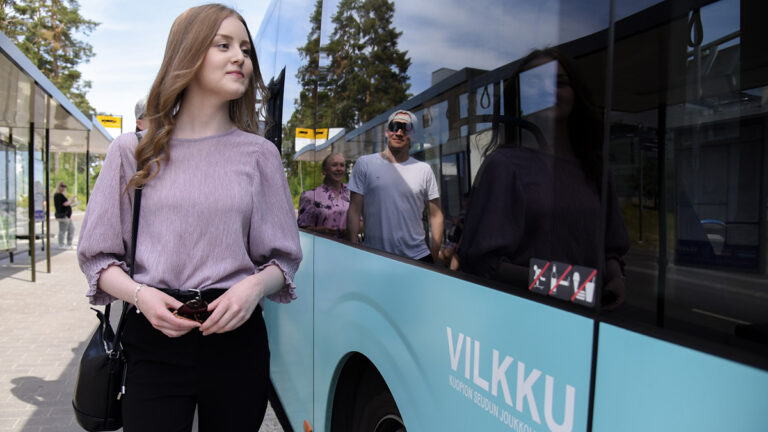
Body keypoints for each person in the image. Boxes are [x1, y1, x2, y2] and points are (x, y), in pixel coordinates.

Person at [76, 5, 302, 431]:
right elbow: (97, 260)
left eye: (246, 49)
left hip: (237, 340)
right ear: (188, 54)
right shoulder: (133, 152)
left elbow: (284, 260)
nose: (241, 58)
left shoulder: (260, 155)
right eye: (224, 45)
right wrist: (140, 295)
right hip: (155, 339)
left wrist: (253, 287)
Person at [458, 48, 629, 308]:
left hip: (595, 319)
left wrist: (616, 277)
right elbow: (481, 263)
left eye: (559, 83)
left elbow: (611, 248)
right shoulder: (504, 165)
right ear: (520, 97)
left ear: (575, 93)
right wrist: (569, 285)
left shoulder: (596, 169)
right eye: (534, 84)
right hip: (531, 318)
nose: (548, 91)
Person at [346, 110, 444, 263]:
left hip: (418, 257)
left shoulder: (424, 169)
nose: (399, 132)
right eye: (395, 126)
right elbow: (354, 209)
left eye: (405, 128)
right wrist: (354, 249)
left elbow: (436, 215)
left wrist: (434, 255)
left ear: (414, 135)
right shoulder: (365, 164)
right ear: (387, 132)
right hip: (374, 256)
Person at [297, 153, 350, 237]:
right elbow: (301, 230)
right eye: (334, 165)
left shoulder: (352, 193)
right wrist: (320, 231)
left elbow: (362, 222)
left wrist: (351, 230)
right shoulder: (309, 196)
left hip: (351, 247)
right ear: (324, 170)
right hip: (322, 245)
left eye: (342, 165)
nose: (339, 169)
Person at [53, 181, 77, 249]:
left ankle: (69, 244)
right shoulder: (58, 195)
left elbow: (66, 205)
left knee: (71, 229)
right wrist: (69, 201)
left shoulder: (61, 195)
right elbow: (64, 204)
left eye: (64, 186)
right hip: (62, 215)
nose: (63, 188)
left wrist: (71, 204)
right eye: (62, 186)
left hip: (66, 216)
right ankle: (61, 244)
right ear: (58, 187)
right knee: (62, 230)